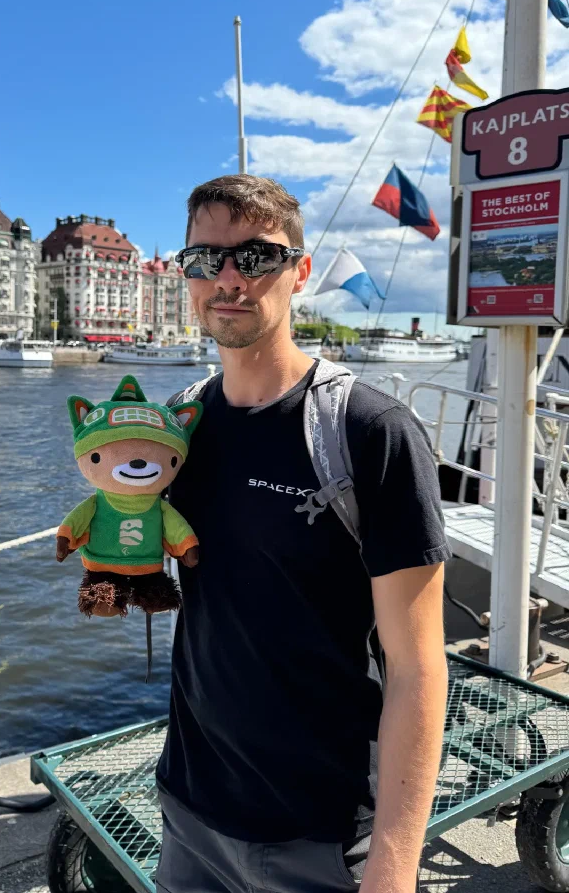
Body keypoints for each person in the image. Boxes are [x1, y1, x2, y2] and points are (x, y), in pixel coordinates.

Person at [155, 174, 450, 893]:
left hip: (314, 833)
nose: (227, 278)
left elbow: (417, 669)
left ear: (300, 272)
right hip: (189, 809)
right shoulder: (176, 425)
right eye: (204, 260)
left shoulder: (369, 433)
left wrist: (394, 865)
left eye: (255, 257)